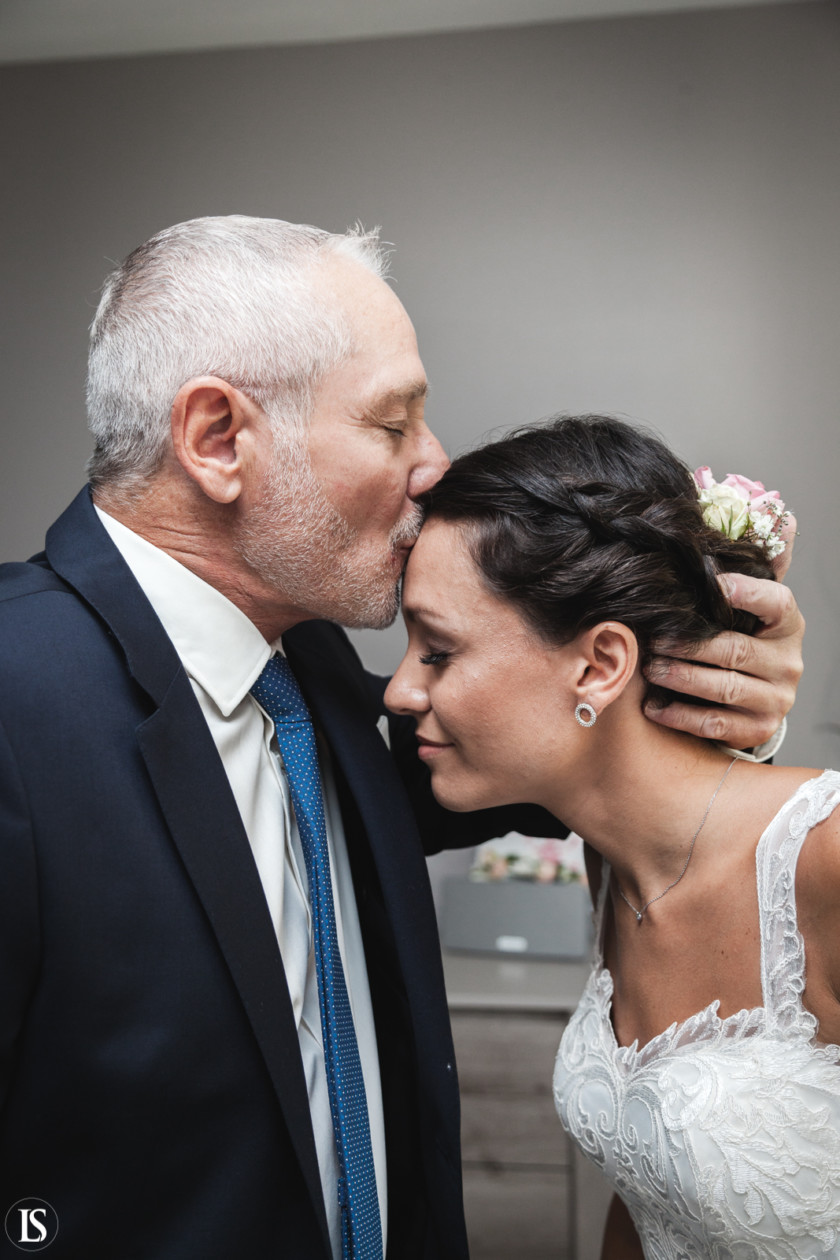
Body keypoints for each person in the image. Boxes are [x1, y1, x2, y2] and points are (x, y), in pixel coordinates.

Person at [0, 218, 801, 1260]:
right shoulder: (17, 693)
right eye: (393, 424)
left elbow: (540, 741)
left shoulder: (316, 669)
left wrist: (711, 685)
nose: (435, 466)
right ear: (217, 439)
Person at [385, 414, 838, 1259]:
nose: (399, 690)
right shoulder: (611, 866)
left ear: (598, 665)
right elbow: (656, 1198)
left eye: (438, 650)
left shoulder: (827, 859)